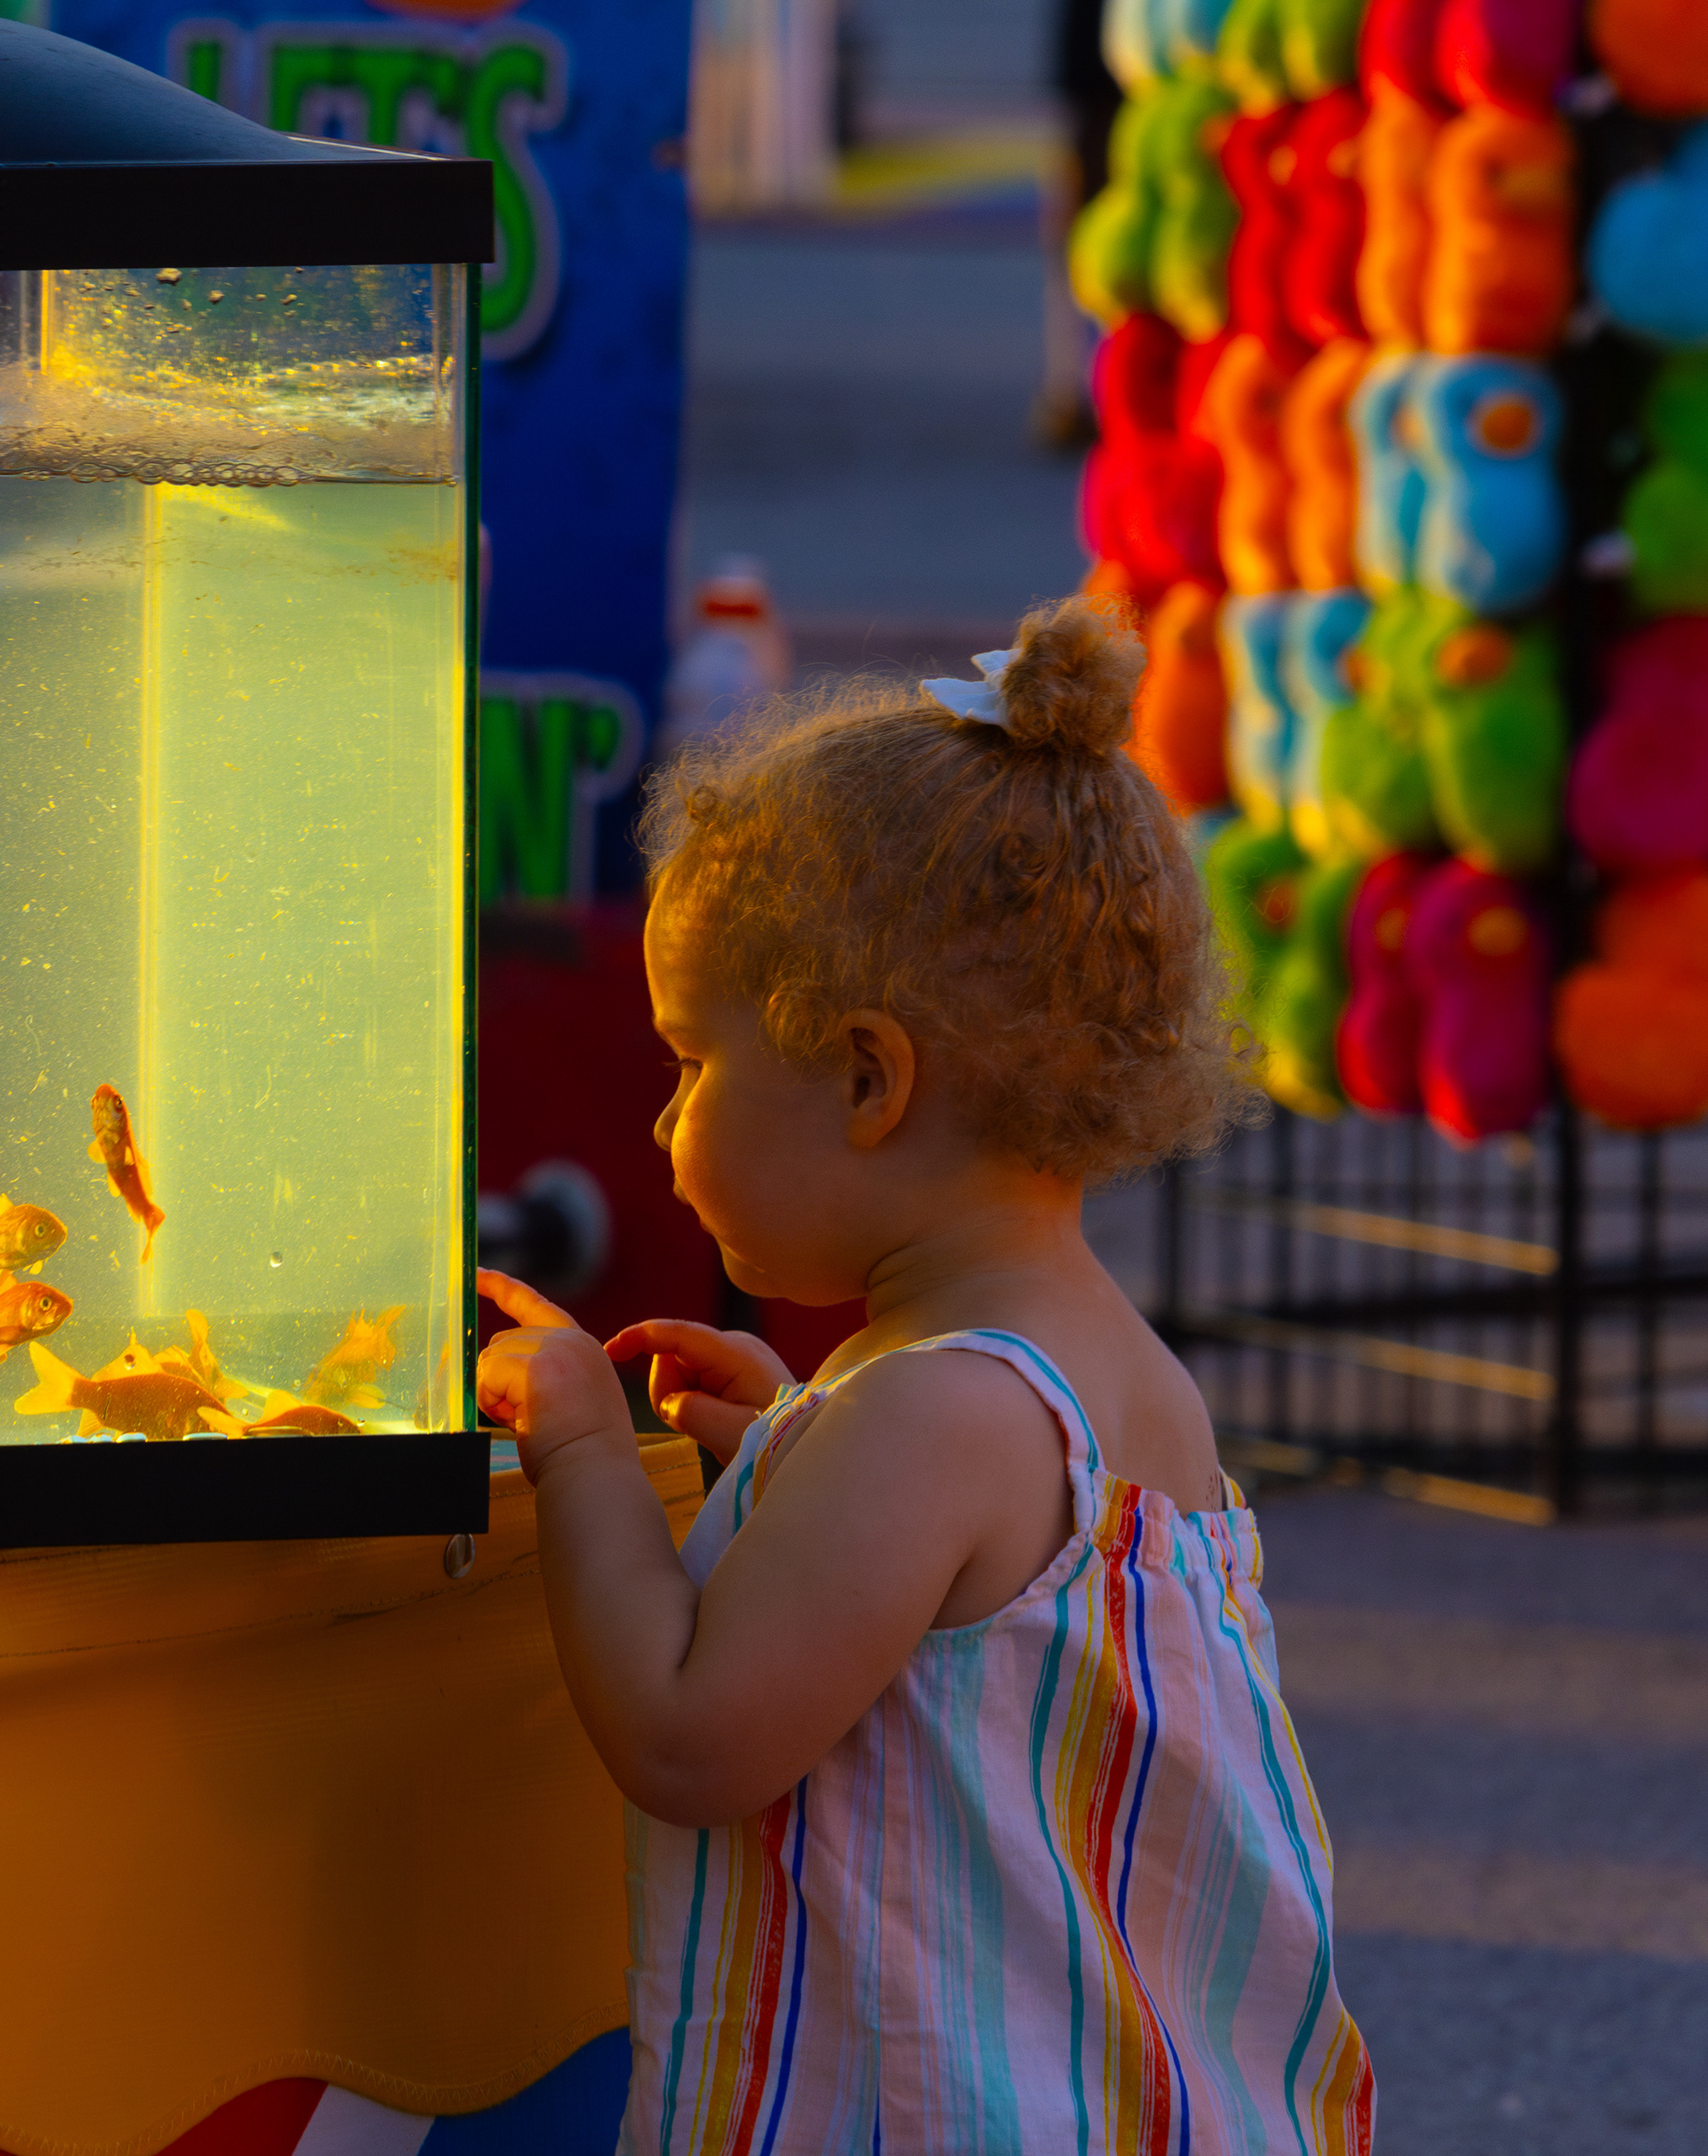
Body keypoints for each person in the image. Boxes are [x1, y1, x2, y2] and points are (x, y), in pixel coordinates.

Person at [477, 597, 1375, 2153]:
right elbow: (969, 1631)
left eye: (692, 1063)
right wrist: (791, 1440)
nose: (662, 1126)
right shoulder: (1110, 1380)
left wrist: (580, 1457)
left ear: (870, 1078)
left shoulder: (929, 1416)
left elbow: (694, 1737)